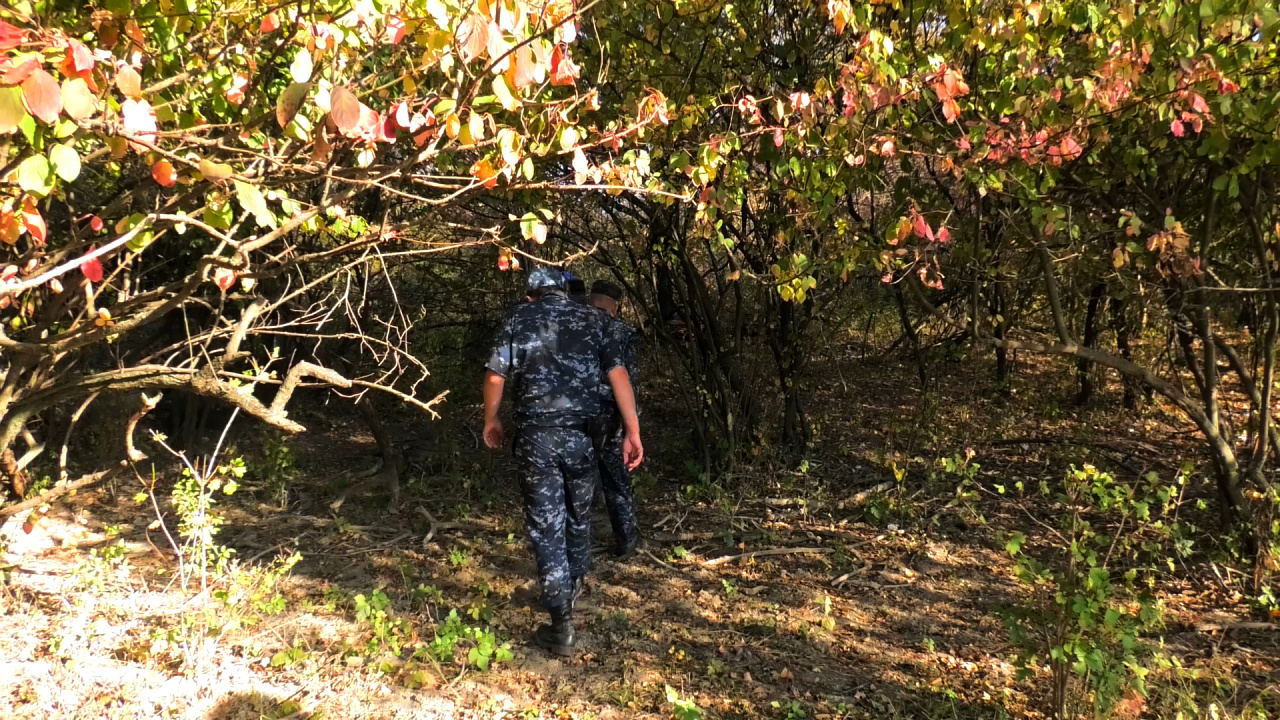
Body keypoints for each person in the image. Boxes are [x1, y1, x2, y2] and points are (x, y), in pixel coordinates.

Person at [482, 267, 643, 657]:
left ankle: (560, 622)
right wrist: (633, 431)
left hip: (537, 437)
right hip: (583, 437)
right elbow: (619, 375)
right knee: (578, 515)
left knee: (546, 525)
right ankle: (573, 585)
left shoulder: (519, 317)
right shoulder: (594, 319)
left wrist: (491, 419)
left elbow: (495, 375)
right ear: (565, 292)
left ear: (533, 294)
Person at [587, 280, 642, 557]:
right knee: (616, 478)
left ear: (590, 300)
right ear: (616, 307)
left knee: (578, 478)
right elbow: (629, 379)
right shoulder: (622, 332)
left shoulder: (570, 326)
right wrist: (633, 426)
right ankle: (626, 540)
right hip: (610, 414)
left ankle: (577, 544)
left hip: (573, 414)